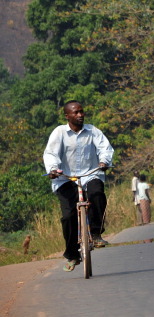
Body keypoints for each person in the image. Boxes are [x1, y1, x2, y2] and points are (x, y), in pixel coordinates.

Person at [44, 100, 114, 272]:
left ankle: (96, 233)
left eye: (81, 112)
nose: (80, 115)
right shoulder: (59, 132)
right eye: (75, 113)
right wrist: (53, 169)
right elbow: (51, 153)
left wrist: (104, 161)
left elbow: (105, 148)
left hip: (91, 174)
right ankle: (72, 254)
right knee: (68, 217)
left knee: (97, 194)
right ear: (67, 116)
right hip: (66, 178)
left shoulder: (93, 131)